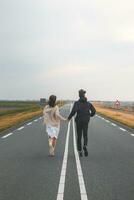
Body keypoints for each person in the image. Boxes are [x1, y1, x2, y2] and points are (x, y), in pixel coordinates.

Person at [68, 89, 96, 157]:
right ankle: (85, 145)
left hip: (79, 121)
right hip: (86, 121)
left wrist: (69, 118)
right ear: (84, 95)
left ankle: (80, 151)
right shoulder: (88, 103)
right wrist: (90, 115)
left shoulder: (77, 103)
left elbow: (73, 111)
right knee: (85, 134)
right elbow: (94, 111)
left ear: (79, 95)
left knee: (79, 136)